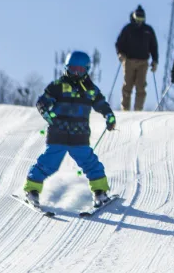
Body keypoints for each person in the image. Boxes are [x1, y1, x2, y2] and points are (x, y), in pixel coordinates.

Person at [23, 51, 116, 208]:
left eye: (81, 70)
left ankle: (100, 192)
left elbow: (101, 104)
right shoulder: (58, 86)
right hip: (58, 132)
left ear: (87, 70)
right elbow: (42, 101)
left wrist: (109, 116)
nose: (77, 73)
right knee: (49, 163)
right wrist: (46, 112)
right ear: (67, 68)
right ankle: (32, 190)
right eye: (73, 69)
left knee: (90, 163)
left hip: (79, 136)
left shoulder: (90, 89)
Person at [115, 5, 159, 111]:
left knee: (141, 87)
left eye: (141, 19)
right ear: (134, 17)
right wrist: (120, 53)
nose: (139, 21)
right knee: (127, 86)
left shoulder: (148, 30)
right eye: (138, 18)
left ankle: (138, 109)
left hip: (143, 62)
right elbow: (119, 43)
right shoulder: (128, 29)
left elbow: (154, 46)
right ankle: (125, 109)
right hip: (129, 61)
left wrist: (155, 61)